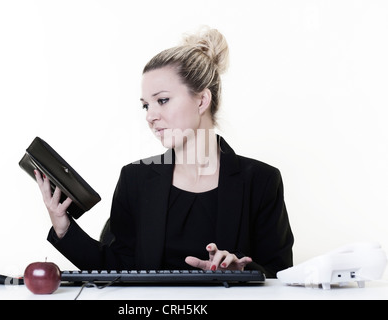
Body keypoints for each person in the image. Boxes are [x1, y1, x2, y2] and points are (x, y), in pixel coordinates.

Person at [34, 26, 294, 278]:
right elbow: (116, 268)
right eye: (145, 106)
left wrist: (243, 272)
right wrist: (63, 226)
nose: (151, 116)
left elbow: (280, 274)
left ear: (202, 100)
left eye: (162, 100)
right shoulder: (134, 180)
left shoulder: (261, 181)